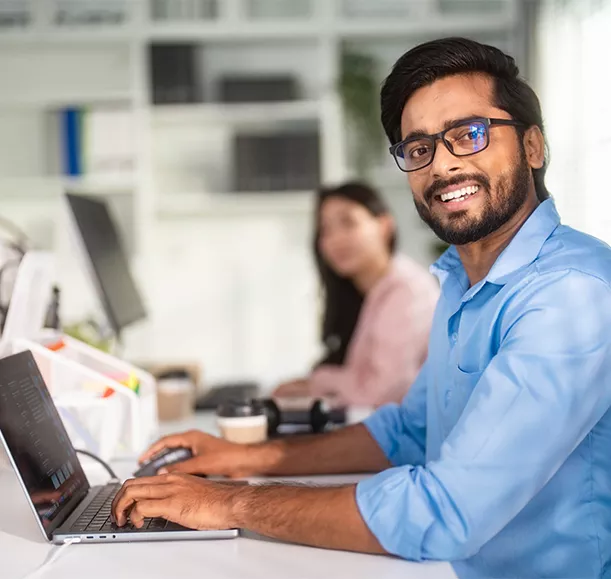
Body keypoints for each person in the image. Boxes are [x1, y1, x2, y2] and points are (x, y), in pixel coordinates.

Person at [112, 38, 611, 578]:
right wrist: (240, 458)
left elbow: (445, 512)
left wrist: (227, 502)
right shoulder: (461, 280)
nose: (442, 165)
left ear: (532, 147)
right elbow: (410, 432)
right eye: (418, 148)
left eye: (469, 135)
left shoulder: (570, 293)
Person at [274, 181, 439, 407]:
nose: (335, 239)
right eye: (325, 229)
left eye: (348, 222)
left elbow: (381, 394)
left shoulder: (408, 291)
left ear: (384, 226)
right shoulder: (367, 293)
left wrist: (319, 380)